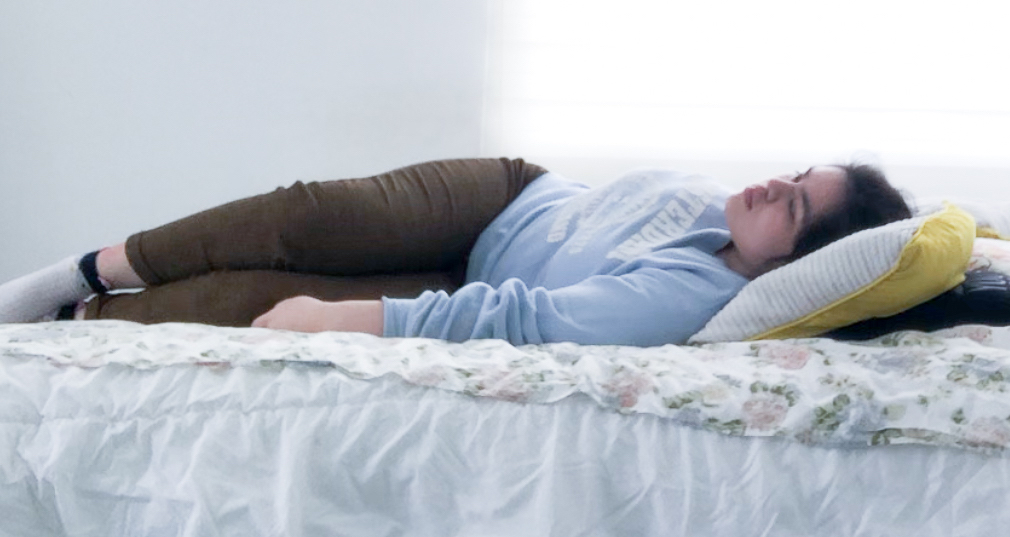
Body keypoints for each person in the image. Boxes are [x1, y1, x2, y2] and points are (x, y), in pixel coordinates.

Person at [0, 157, 911, 347]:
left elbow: (529, 317)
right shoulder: (716, 215)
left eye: (790, 203)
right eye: (789, 172)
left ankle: (81, 320)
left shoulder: (687, 293)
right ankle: (78, 273)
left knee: (253, 296)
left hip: (469, 277)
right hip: (507, 193)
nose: (765, 185)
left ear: (801, 257)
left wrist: (351, 316)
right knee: (302, 214)